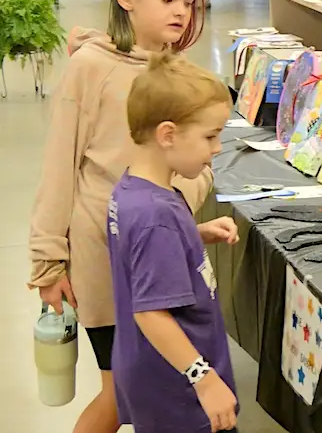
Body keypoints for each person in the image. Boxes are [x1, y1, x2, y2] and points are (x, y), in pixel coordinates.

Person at [28, 0, 212, 433]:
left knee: (149, 386)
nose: (181, 11)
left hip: (159, 256)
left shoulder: (179, 73)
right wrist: (48, 260)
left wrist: (181, 207)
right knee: (119, 391)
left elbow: (194, 165)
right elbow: (58, 167)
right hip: (101, 254)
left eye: (189, 1)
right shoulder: (91, 68)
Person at [108, 52, 238, 432]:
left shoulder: (132, 190)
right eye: (210, 136)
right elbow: (150, 312)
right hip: (178, 387)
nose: (217, 148)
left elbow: (139, 258)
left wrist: (194, 235)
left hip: (149, 372)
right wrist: (205, 379)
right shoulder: (156, 217)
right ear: (167, 134)